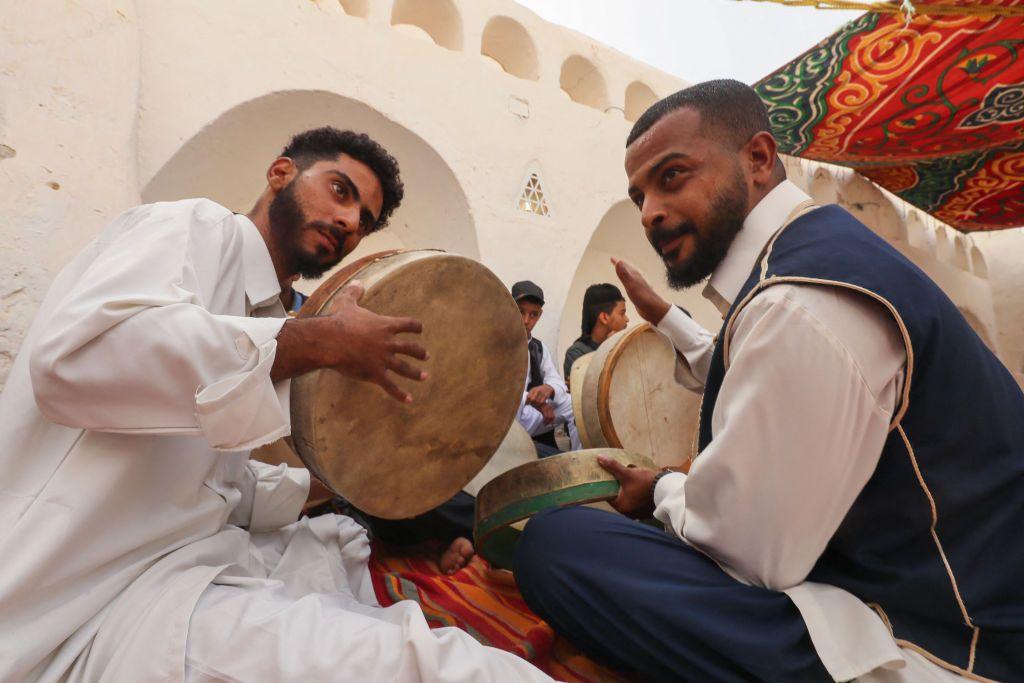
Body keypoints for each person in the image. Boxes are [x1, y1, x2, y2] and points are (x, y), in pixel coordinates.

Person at [513, 79, 1024, 682]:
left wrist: (659, 491)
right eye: (638, 196)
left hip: (943, 650)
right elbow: (752, 371)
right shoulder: (814, 261)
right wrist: (666, 319)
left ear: (757, 158)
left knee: (559, 544)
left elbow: (745, 551)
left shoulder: (798, 304)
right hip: (933, 600)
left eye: (671, 177)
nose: (649, 211)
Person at [0, 126, 552, 682]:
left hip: (188, 563)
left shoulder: (268, 317)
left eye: (364, 220)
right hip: (90, 604)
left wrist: (368, 473)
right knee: (440, 669)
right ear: (280, 173)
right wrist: (323, 342)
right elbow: (79, 360)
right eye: (340, 191)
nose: (349, 223)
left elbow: (215, 493)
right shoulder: (192, 227)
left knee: (347, 562)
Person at [512, 280, 581, 454]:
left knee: (575, 405)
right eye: (520, 312)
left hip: (529, 418)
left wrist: (548, 389)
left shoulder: (539, 348)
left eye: (533, 315)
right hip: (506, 420)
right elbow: (497, 392)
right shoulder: (497, 345)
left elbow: (559, 385)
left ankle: (580, 459)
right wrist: (533, 400)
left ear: (539, 315)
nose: (527, 320)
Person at [562, 282, 629, 383]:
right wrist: (607, 349)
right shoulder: (576, 354)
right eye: (622, 313)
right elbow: (590, 393)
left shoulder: (625, 347)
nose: (627, 319)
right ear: (604, 318)